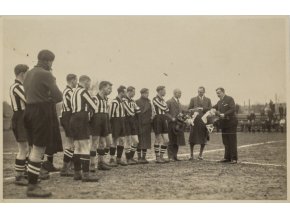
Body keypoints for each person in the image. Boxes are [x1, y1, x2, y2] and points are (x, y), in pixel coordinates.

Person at [23, 50, 63, 197]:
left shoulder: (28, 73)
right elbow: (59, 96)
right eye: (52, 62)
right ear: (48, 61)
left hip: (28, 110)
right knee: (39, 149)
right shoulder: (46, 74)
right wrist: (49, 98)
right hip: (41, 111)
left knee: (33, 147)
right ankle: (33, 186)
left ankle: (32, 182)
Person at [69, 75, 99, 182]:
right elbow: (94, 106)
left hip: (73, 118)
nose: (89, 85)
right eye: (89, 83)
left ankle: (77, 173)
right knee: (86, 146)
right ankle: (86, 175)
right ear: (85, 82)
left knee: (77, 147)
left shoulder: (73, 91)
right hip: (81, 118)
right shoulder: (83, 91)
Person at [10, 64, 30, 186]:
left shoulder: (20, 86)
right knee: (23, 149)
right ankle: (19, 176)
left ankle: (25, 172)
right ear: (22, 74)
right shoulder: (17, 87)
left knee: (26, 148)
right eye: (27, 73)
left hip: (23, 117)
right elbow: (29, 100)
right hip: (19, 118)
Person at [90, 81, 113, 171]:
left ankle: (101, 163)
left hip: (104, 120)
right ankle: (92, 164)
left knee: (102, 143)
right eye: (108, 88)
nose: (110, 90)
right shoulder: (95, 98)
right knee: (94, 142)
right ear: (103, 88)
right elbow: (90, 112)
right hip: (96, 121)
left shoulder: (106, 99)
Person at [213, 87, 238, 164]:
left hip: (231, 123)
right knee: (225, 141)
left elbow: (233, 109)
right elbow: (214, 107)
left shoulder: (229, 99)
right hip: (223, 124)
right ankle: (227, 157)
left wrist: (225, 114)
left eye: (219, 93)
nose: (218, 94)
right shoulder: (219, 102)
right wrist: (212, 109)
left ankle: (234, 158)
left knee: (232, 141)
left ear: (223, 92)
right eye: (217, 93)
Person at [59, 74, 78, 177]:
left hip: (68, 116)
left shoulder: (69, 91)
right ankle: (65, 168)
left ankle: (70, 166)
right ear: (72, 80)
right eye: (76, 80)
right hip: (68, 117)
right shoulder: (69, 91)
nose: (77, 82)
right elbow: (75, 104)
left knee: (73, 143)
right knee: (70, 143)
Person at [188, 86, 212, 160]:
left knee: (203, 138)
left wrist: (203, 109)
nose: (200, 93)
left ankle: (200, 154)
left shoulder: (208, 100)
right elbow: (189, 109)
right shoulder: (193, 99)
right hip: (195, 121)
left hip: (204, 121)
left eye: (201, 92)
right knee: (192, 138)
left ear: (204, 92)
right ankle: (191, 155)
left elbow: (210, 109)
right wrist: (195, 110)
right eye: (198, 92)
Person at [152, 86, 172, 164]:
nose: (165, 92)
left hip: (163, 119)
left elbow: (167, 109)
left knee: (166, 140)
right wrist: (164, 107)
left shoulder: (163, 100)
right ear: (160, 91)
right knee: (158, 139)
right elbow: (164, 107)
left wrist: (164, 107)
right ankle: (157, 158)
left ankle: (161, 156)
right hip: (157, 119)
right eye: (164, 91)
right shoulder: (155, 99)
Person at [109, 85, 128, 166]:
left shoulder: (122, 101)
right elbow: (110, 114)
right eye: (125, 92)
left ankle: (119, 159)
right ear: (121, 92)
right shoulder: (114, 101)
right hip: (115, 121)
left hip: (122, 121)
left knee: (122, 140)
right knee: (114, 140)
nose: (126, 93)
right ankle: (112, 159)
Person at [122, 86, 141, 164]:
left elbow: (138, 110)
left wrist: (135, 111)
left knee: (136, 141)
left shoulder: (133, 100)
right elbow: (130, 111)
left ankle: (131, 157)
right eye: (133, 92)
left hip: (132, 121)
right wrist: (134, 111)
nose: (134, 93)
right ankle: (128, 158)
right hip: (126, 121)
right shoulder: (124, 100)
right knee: (128, 140)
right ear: (129, 92)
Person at [136, 88, 154, 164]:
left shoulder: (149, 102)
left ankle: (144, 157)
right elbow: (136, 114)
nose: (148, 94)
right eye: (146, 93)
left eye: (148, 93)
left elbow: (151, 112)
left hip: (147, 124)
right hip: (139, 124)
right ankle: (139, 157)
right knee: (139, 141)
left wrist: (150, 119)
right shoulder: (136, 101)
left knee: (146, 141)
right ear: (142, 93)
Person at [166, 89, 185, 161]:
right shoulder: (169, 101)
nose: (180, 94)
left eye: (180, 93)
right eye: (179, 93)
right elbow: (165, 112)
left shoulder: (179, 103)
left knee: (177, 140)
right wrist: (171, 118)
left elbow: (180, 113)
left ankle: (175, 156)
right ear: (174, 93)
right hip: (171, 124)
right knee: (171, 140)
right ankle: (170, 156)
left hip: (179, 124)